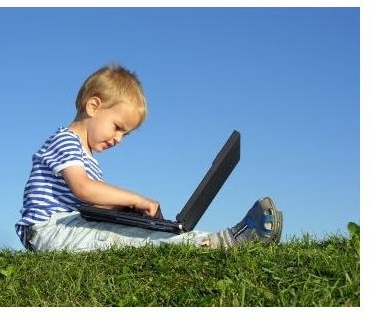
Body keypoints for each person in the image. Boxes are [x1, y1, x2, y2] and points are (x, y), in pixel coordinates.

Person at [15, 64, 283, 251]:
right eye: (117, 127)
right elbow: (83, 190)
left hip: (72, 224)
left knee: (140, 233)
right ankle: (224, 242)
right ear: (93, 106)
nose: (118, 139)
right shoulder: (64, 140)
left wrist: (127, 212)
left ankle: (206, 239)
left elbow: (91, 203)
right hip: (49, 231)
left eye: (125, 135)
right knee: (127, 241)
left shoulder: (87, 158)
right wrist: (136, 199)